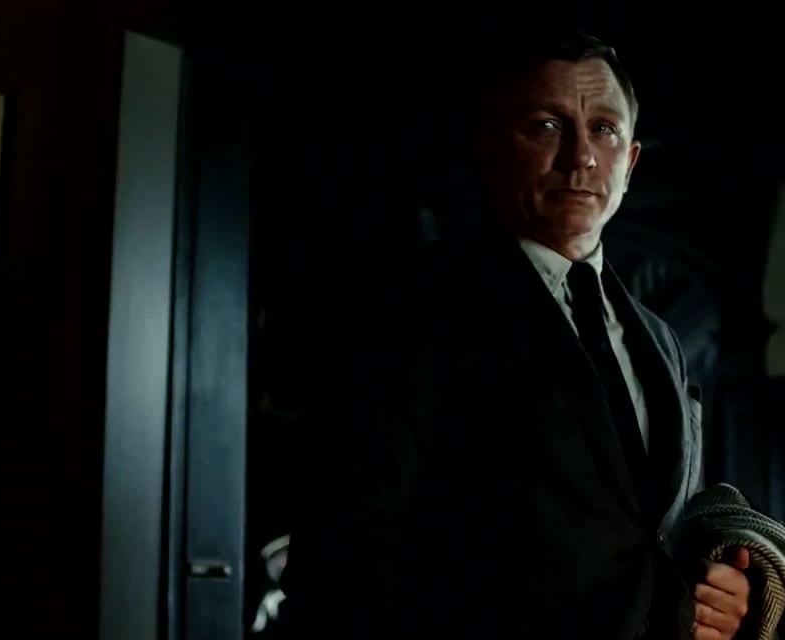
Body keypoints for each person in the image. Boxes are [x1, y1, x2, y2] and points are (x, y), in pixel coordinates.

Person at [287, 31, 751, 639]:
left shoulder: (661, 339)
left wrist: (718, 595)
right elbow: (338, 567)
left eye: (604, 129)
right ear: (492, 150)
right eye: (546, 126)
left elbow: (660, 533)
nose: (581, 157)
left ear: (631, 162)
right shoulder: (411, 311)